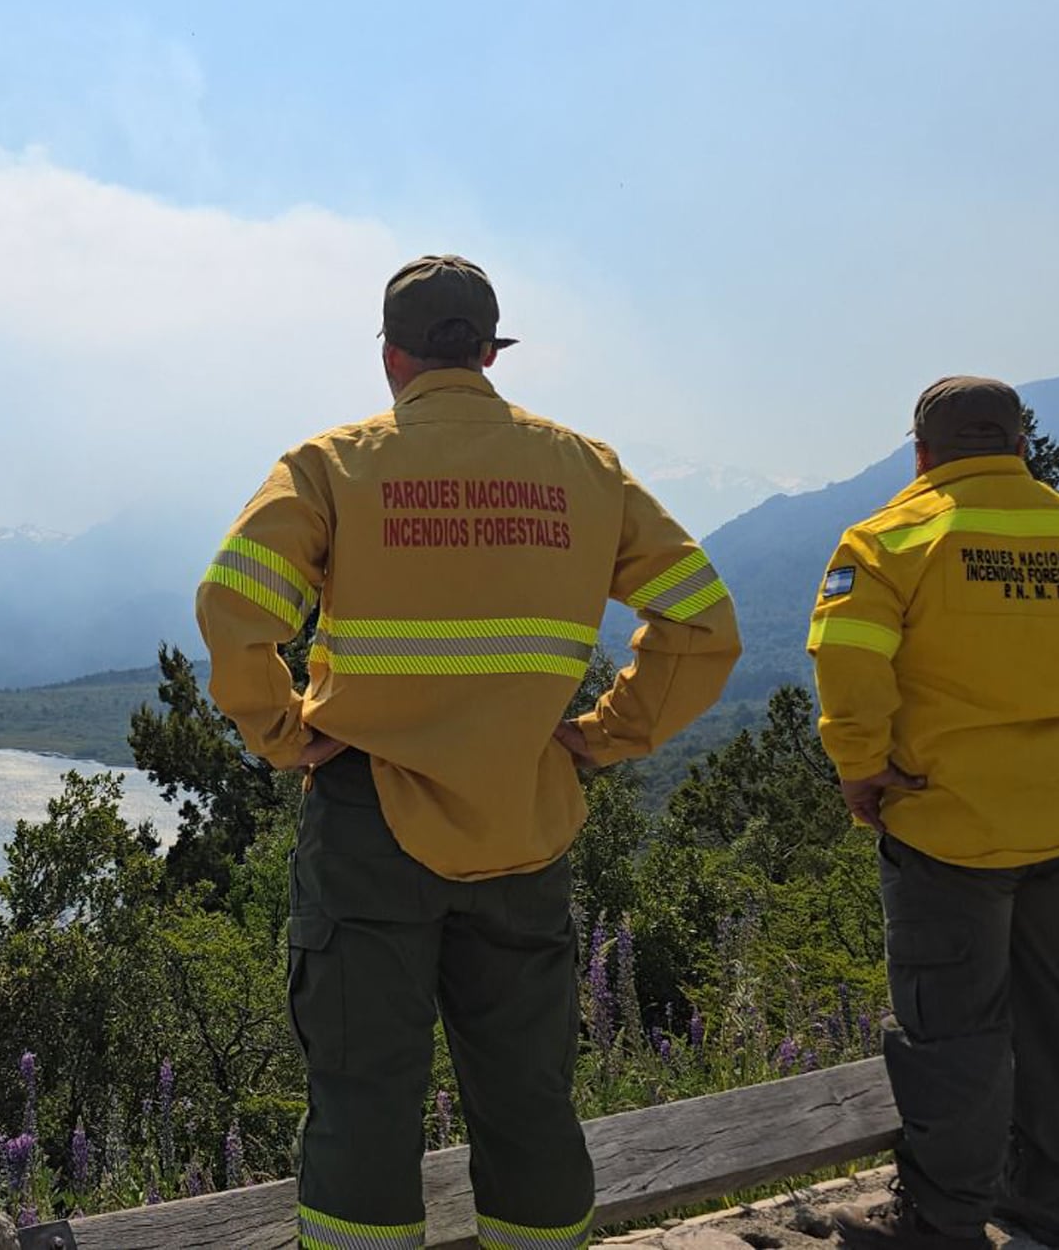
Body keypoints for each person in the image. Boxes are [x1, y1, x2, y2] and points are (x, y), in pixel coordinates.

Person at [195, 254, 741, 1249]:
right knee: (529, 1099)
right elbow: (702, 622)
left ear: (391, 356)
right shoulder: (586, 470)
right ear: (489, 352)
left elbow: (232, 602)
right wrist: (600, 737)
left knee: (364, 1099)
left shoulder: (331, 465)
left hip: (368, 820)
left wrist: (284, 732)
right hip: (525, 823)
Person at [809, 377, 1059, 1250]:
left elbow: (848, 663)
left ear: (922, 454)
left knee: (954, 1031)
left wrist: (861, 770)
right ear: (1020, 447)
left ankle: (944, 1221)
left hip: (944, 829)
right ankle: (1055, 1209)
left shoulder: (888, 541)